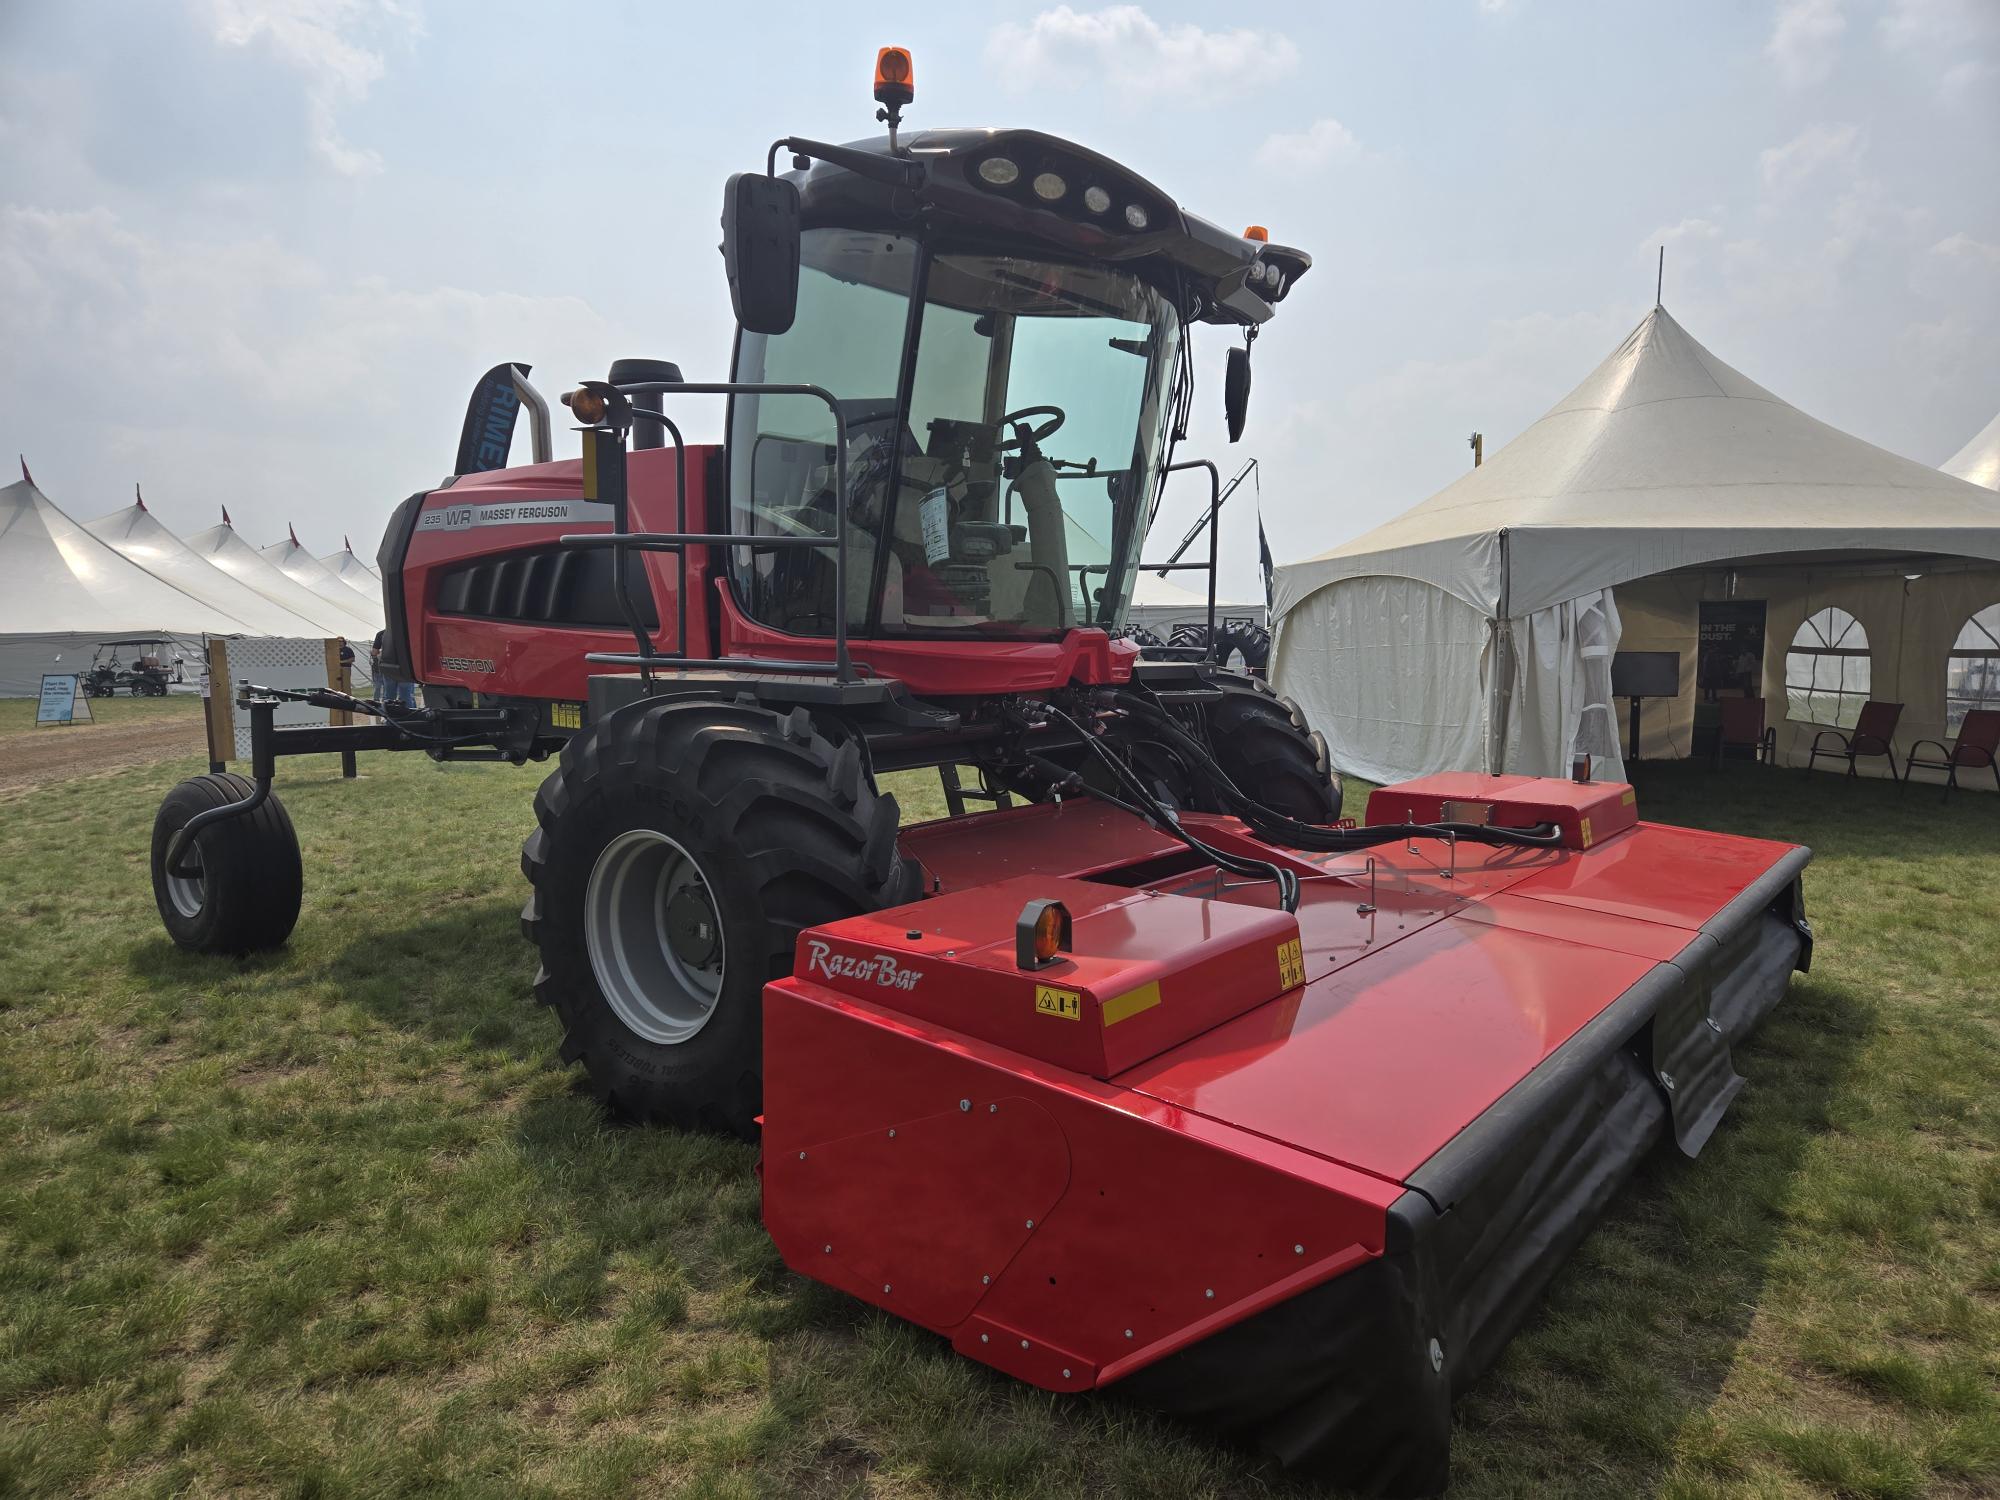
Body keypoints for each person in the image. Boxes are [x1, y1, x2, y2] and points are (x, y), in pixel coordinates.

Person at [370, 630, 418, 708]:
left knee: (389, 696)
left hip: (389, 667)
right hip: (405, 667)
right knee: (406, 696)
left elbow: (374, 652)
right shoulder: (408, 631)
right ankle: (409, 716)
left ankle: (388, 716)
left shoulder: (382, 634)